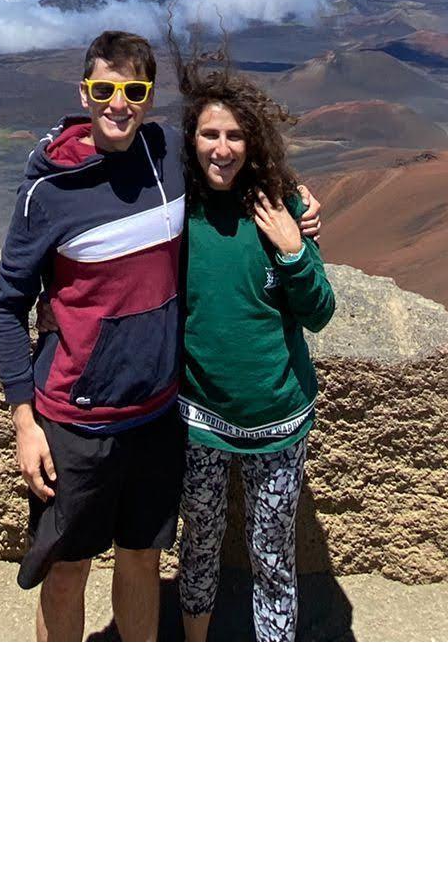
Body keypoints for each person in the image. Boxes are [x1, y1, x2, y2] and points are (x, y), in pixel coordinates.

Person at [0, 29, 186, 642]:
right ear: (84, 93)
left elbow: (235, 167)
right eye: (104, 90)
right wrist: (24, 425)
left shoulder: (168, 155)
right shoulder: (49, 191)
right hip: (75, 423)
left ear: (149, 97)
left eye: (134, 91)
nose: (118, 105)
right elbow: (8, 307)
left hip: (156, 415)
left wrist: (296, 204)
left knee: (142, 558)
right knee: (66, 569)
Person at [173, 56, 335, 643]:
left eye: (235, 135)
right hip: (199, 420)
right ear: (191, 140)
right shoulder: (177, 212)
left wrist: (293, 250)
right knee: (199, 545)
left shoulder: (279, 207)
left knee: (273, 557)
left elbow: (319, 311)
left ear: (253, 142)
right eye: (209, 134)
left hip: (278, 420)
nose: (222, 149)